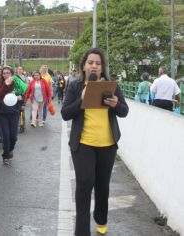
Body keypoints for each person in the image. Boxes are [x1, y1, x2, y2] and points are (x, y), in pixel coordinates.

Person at [61, 48, 129, 236]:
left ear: (102, 67)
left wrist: (115, 104)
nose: (94, 66)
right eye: (90, 62)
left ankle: (101, 219)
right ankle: (81, 232)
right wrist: (81, 100)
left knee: (102, 185)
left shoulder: (111, 85)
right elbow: (66, 113)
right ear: (84, 66)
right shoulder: (75, 86)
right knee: (84, 184)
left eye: (98, 63)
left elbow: (124, 111)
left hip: (107, 145)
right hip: (83, 144)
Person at [0, 66, 27, 165]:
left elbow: (23, 94)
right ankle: (6, 156)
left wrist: (21, 101)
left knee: (13, 136)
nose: (5, 75)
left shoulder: (16, 83)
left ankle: (10, 150)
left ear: (12, 74)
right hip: (2, 113)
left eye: (8, 73)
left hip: (14, 112)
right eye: (4, 73)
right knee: (5, 135)